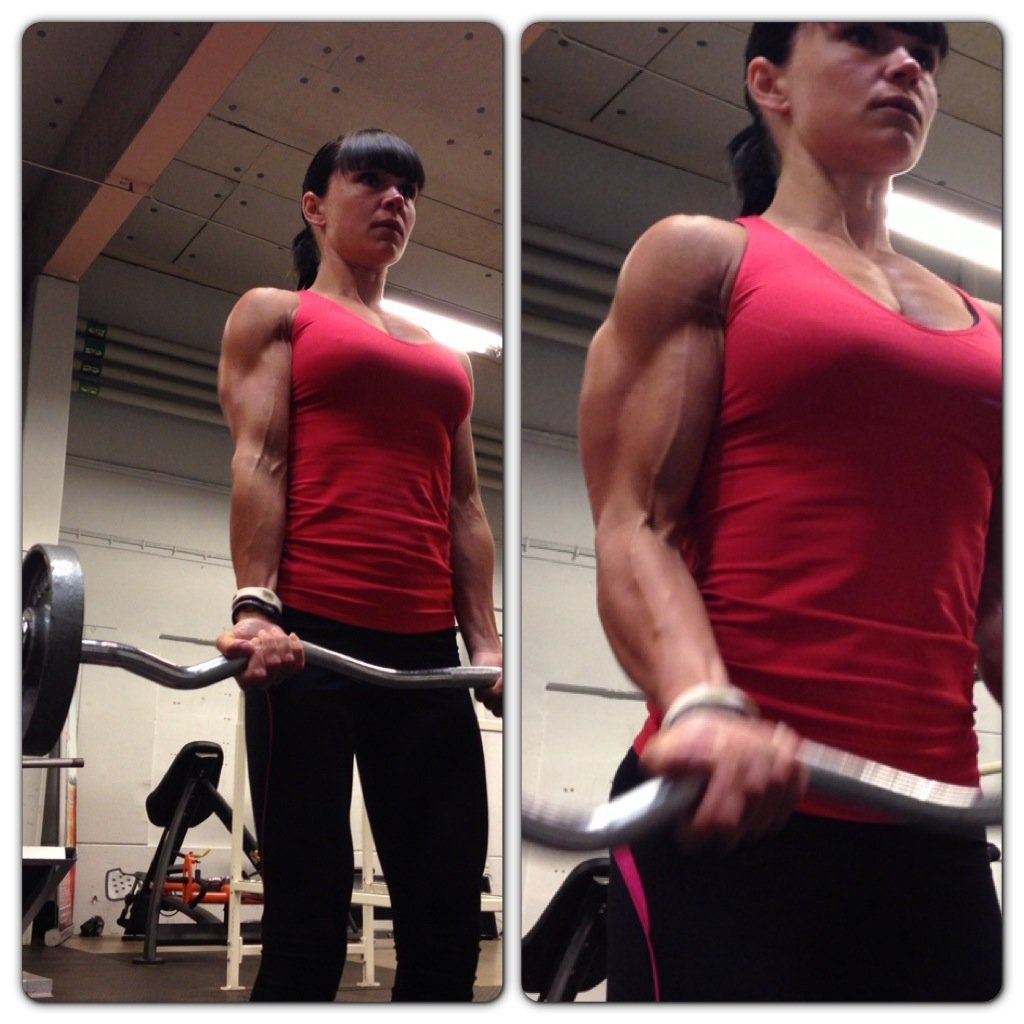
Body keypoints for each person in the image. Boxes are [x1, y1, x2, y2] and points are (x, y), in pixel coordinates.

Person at [578, 23, 1001, 1001]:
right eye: (865, 39)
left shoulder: (997, 335)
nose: (908, 66)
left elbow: (992, 602)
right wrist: (700, 702)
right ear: (768, 83)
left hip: (931, 825)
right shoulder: (704, 258)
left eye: (925, 53)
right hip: (727, 815)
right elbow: (634, 524)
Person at [214, 128, 503, 1002]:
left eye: (407, 189)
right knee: (305, 930)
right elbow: (261, 458)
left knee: (446, 927)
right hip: (306, 647)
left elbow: (465, 509)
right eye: (370, 181)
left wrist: (486, 644)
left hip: (427, 658)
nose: (394, 201)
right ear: (314, 206)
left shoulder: (445, 357)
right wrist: (257, 606)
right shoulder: (278, 313)